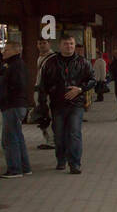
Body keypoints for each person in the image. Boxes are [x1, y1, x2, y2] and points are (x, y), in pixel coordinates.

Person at [39, 33, 95, 174]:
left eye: (71, 44)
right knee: (59, 134)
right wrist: (42, 104)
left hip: (76, 104)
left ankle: (75, 163)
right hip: (57, 104)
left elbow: (92, 79)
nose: (69, 46)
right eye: (66, 44)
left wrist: (80, 89)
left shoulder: (83, 62)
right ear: (60, 45)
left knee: (74, 133)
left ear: (74, 45)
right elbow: (43, 85)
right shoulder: (50, 62)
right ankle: (61, 159)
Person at [1, 40, 33, 178]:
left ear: (16, 51)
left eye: (7, 49)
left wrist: (5, 96)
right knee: (18, 137)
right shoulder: (15, 65)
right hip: (17, 104)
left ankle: (15, 169)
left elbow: (16, 85)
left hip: (12, 105)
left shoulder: (14, 66)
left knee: (10, 138)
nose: (4, 52)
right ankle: (25, 167)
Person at [34, 38, 55, 149]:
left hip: (46, 92)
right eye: (39, 43)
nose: (42, 45)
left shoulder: (52, 58)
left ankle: (51, 141)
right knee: (42, 115)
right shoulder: (40, 58)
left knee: (47, 114)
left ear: (49, 44)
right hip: (39, 89)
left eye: (44, 43)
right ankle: (48, 140)